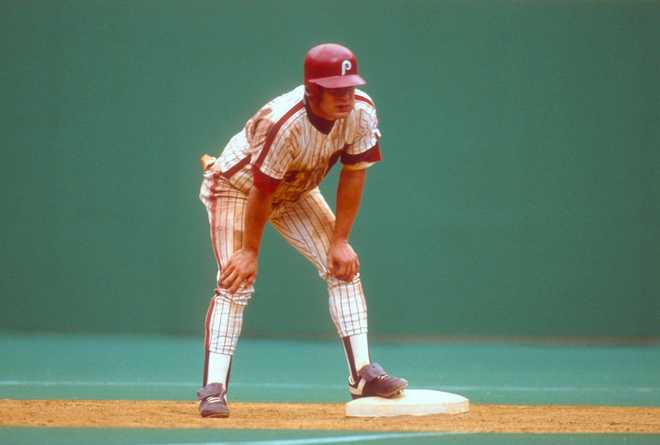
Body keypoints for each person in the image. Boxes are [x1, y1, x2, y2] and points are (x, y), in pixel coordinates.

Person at [196, 43, 408, 418]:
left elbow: (354, 175)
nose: (346, 96)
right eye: (335, 88)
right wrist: (250, 251)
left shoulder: (361, 111)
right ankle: (213, 389)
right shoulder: (284, 121)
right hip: (238, 188)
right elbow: (261, 191)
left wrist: (340, 240)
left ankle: (363, 375)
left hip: (295, 191)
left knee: (343, 265)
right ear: (313, 89)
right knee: (235, 281)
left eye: (349, 86)